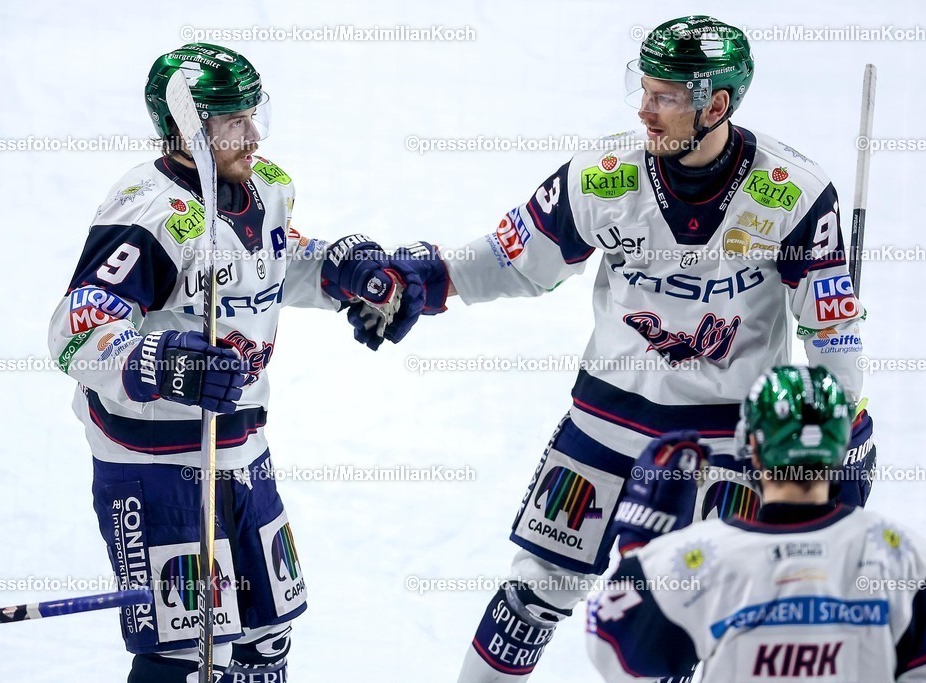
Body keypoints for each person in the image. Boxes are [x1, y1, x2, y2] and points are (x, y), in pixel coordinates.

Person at [369, 14, 878, 681]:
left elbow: (829, 325)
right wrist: (430, 277)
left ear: (716, 104)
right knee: (531, 592)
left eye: (664, 95)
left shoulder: (795, 194)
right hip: (604, 426)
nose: (644, 109)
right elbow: (516, 258)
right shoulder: (602, 174)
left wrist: (845, 420)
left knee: (695, 623)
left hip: (725, 444)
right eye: (643, 89)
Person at [47, 43, 440, 682]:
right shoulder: (149, 213)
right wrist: (157, 359)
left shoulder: (268, 186)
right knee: (187, 651)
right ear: (186, 129)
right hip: (156, 462)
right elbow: (75, 329)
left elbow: (272, 261)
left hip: (239, 444)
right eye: (233, 120)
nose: (252, 134)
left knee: (266, 633)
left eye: (253, 114)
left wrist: (348, 272)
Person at [587, 365, 926, 682]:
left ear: (753, 446)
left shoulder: (703, 558)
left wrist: (642, 545)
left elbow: (617, 654)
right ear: (842, 447)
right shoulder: (899, 552)